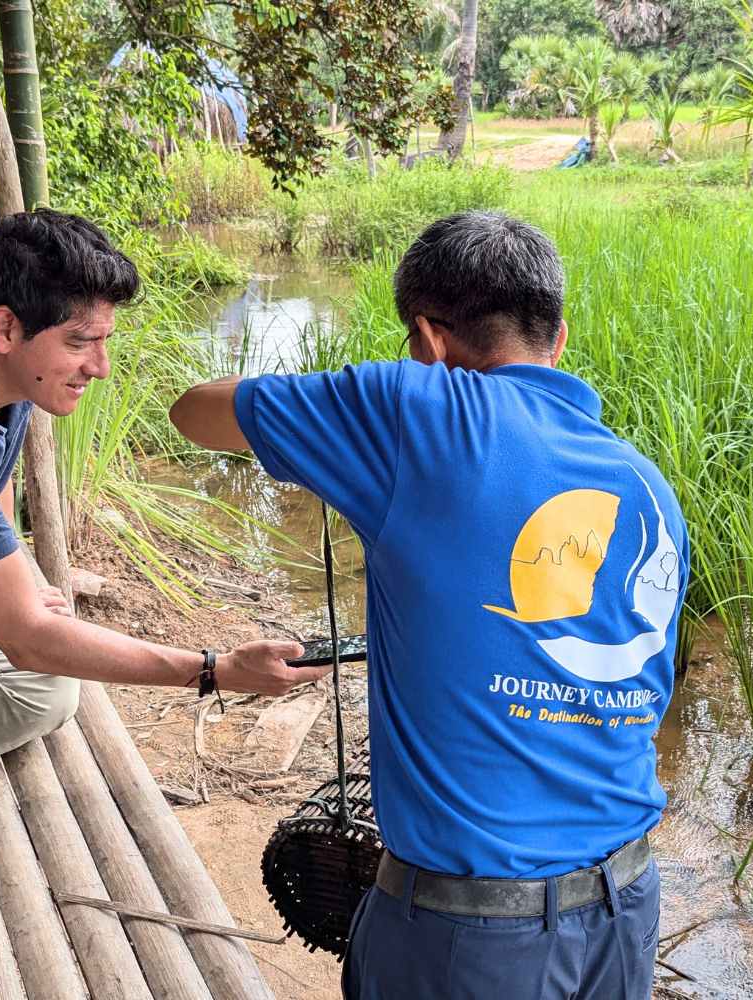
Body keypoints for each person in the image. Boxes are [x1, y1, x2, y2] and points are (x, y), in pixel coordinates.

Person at [170, 210, 690, 1000]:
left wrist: (368, 391)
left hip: (472, 941)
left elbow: (196, 412)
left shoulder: (415, 407)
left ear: (429, 338)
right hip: (626, 909)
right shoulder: (647, 486)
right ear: (558, 337)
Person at [0, 209, 327, 790]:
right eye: (80, 343)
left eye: (104, 341)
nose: (100, 367)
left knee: (47, 688)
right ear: (6, 328)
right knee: (38, 649)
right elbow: (30, 637)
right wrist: (216, 670)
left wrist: (23, 584)